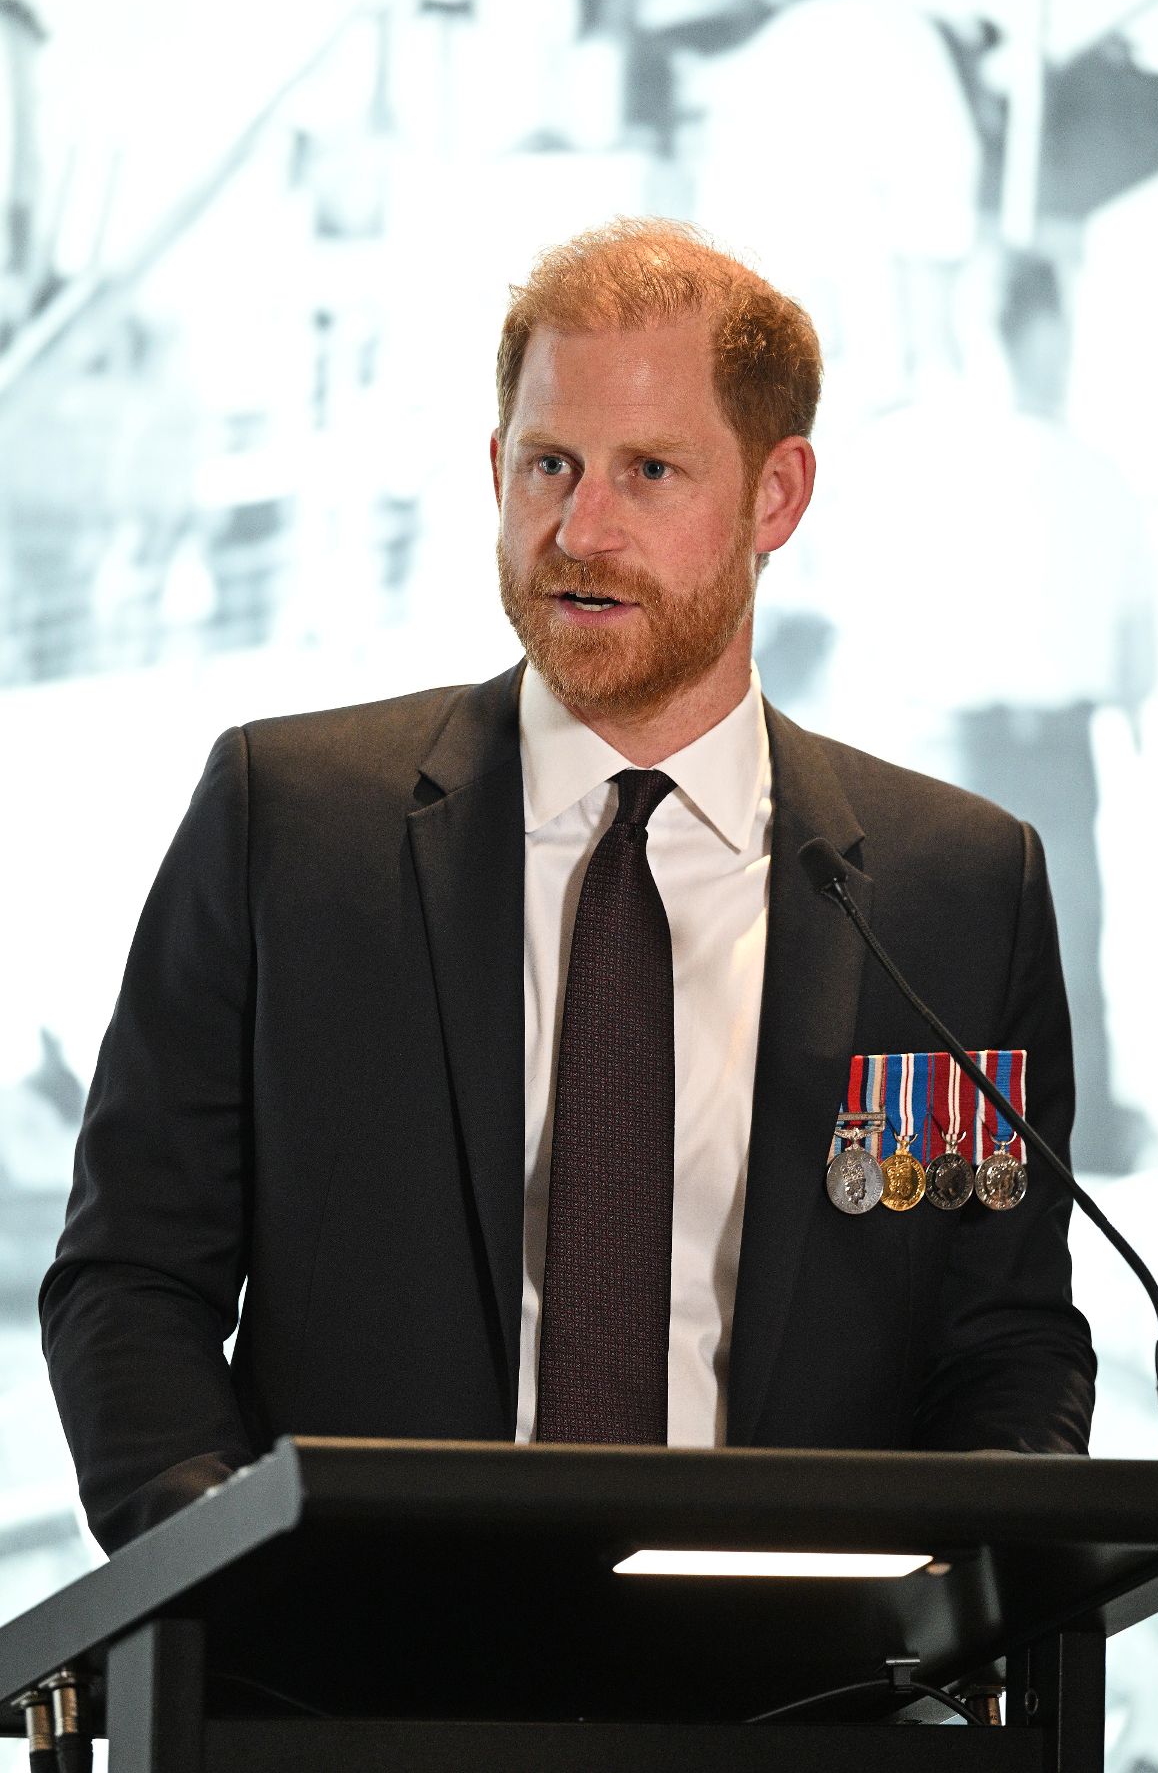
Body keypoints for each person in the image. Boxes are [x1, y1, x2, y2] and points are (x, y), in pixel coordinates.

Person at [41, 220, 1095, 1554]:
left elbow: (1004, 1345)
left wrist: (943, 1605)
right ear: (495, 469)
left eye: (650, 471)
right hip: (353, 1705)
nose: (579, 528)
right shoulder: (288, 826)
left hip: (796, 1704)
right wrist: (227, 1579)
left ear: (777, 497)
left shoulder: (956, 894)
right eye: (550, 465)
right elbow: (130, 1280)